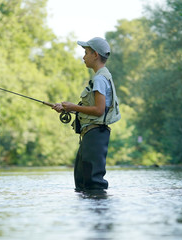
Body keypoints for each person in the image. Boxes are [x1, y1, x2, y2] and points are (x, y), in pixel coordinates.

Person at [52, 37, 121, 192]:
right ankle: (87, 215)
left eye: (86, 52)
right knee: (82, 180)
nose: (84, 56)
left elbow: (99, 110)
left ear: (95, 55)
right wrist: (68, 108)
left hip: (96, 134)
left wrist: (73, 106)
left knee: (93, 182)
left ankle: (97, 214)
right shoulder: (100, 77)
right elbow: (94, 109)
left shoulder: (99, 79)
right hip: (92, 134)